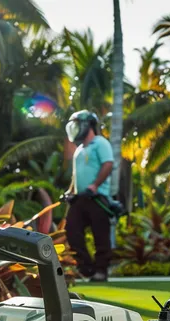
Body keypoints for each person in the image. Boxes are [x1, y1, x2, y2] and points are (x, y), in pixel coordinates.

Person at [64, 110, 114, 282]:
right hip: (80, 198)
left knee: (100, 234)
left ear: (87, 125)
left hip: (97, 197)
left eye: (78, 125)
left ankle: (101, 270)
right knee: (71, 230)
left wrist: (95, 185)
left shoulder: (100, 143)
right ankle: (86, 268)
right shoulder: (79, 150)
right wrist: (71, 192)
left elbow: (108, 164)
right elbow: (76, 175)